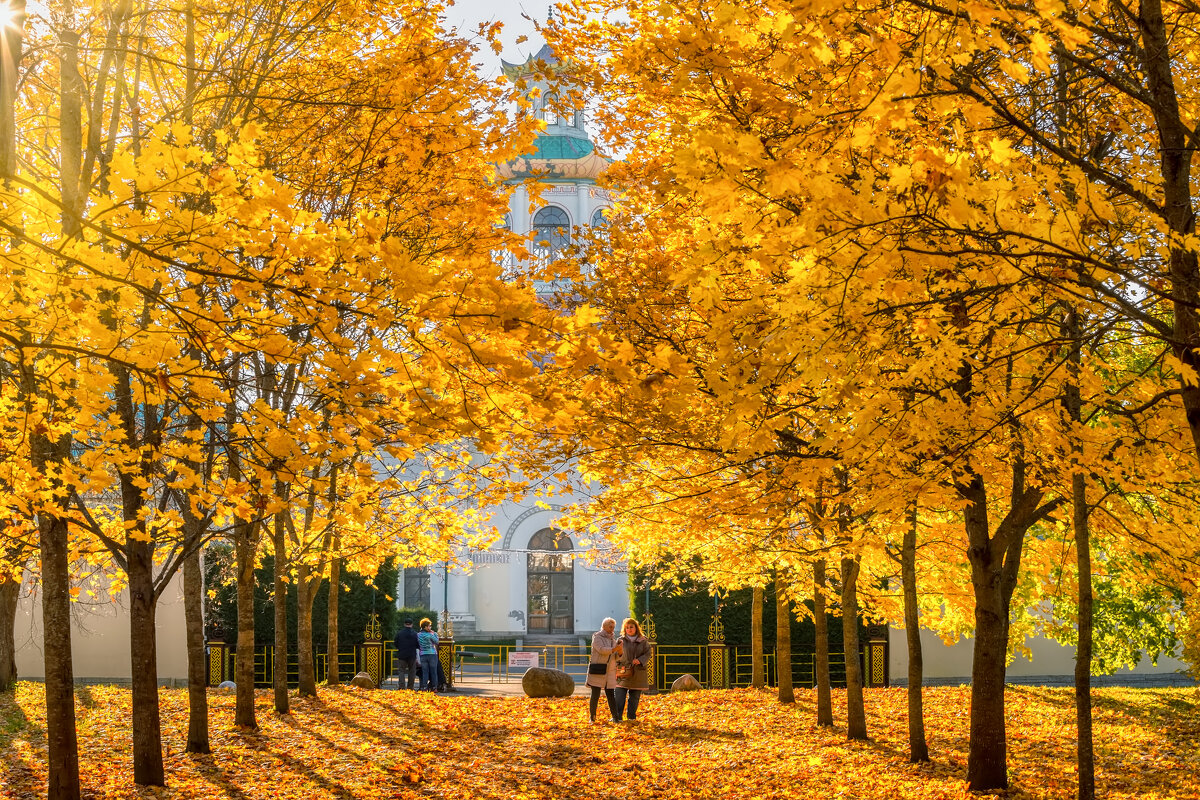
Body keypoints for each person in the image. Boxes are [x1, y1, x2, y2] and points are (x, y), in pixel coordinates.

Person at [615, 617, 651, 722]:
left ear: (636, 628)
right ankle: (617, 717)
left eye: (631, 627)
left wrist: (640, 660)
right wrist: (620, 655)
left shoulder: (643, 641)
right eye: (627, 627)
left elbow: (648, 653)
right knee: (619, 695)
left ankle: (631, 718)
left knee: (634, 698)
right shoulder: (620, 640)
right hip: (623, 671)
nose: (629, 629)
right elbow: (615, 654)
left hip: (638, 672)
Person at [585, 617, 621, 723]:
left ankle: (615, 717)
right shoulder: (597, 637)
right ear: (604, 626)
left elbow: (615, 656)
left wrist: (620, 651)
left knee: (610, 695)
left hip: (609, 671)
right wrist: (615, 649)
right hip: (598, 670)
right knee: (595, 694)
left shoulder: (612, 639)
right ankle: (592, 717)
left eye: (613, 627)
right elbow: (601, 650)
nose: (612, 629)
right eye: (610, 627)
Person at [394, 618, 419, 690]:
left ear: (404, 624)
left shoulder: (400, 633)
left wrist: (400, 648)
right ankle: (410, 687)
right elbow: (418, 645)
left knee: (401, 671)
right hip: (412, 655)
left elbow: (395, 643)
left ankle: (401, 687)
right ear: (412, 624)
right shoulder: (415, 634)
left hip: (402, 654)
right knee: (412, 671)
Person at [417, 618, 440, 692]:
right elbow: (437, 642)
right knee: (433, 671)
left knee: (425, 672)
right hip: (432, 654)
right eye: (429, 626)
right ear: (425, 627)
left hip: (423, 654)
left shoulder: (418, 635)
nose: (430, 627)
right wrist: (435, 634)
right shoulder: (430, 635)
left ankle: (424, 687)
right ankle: (434, 687)